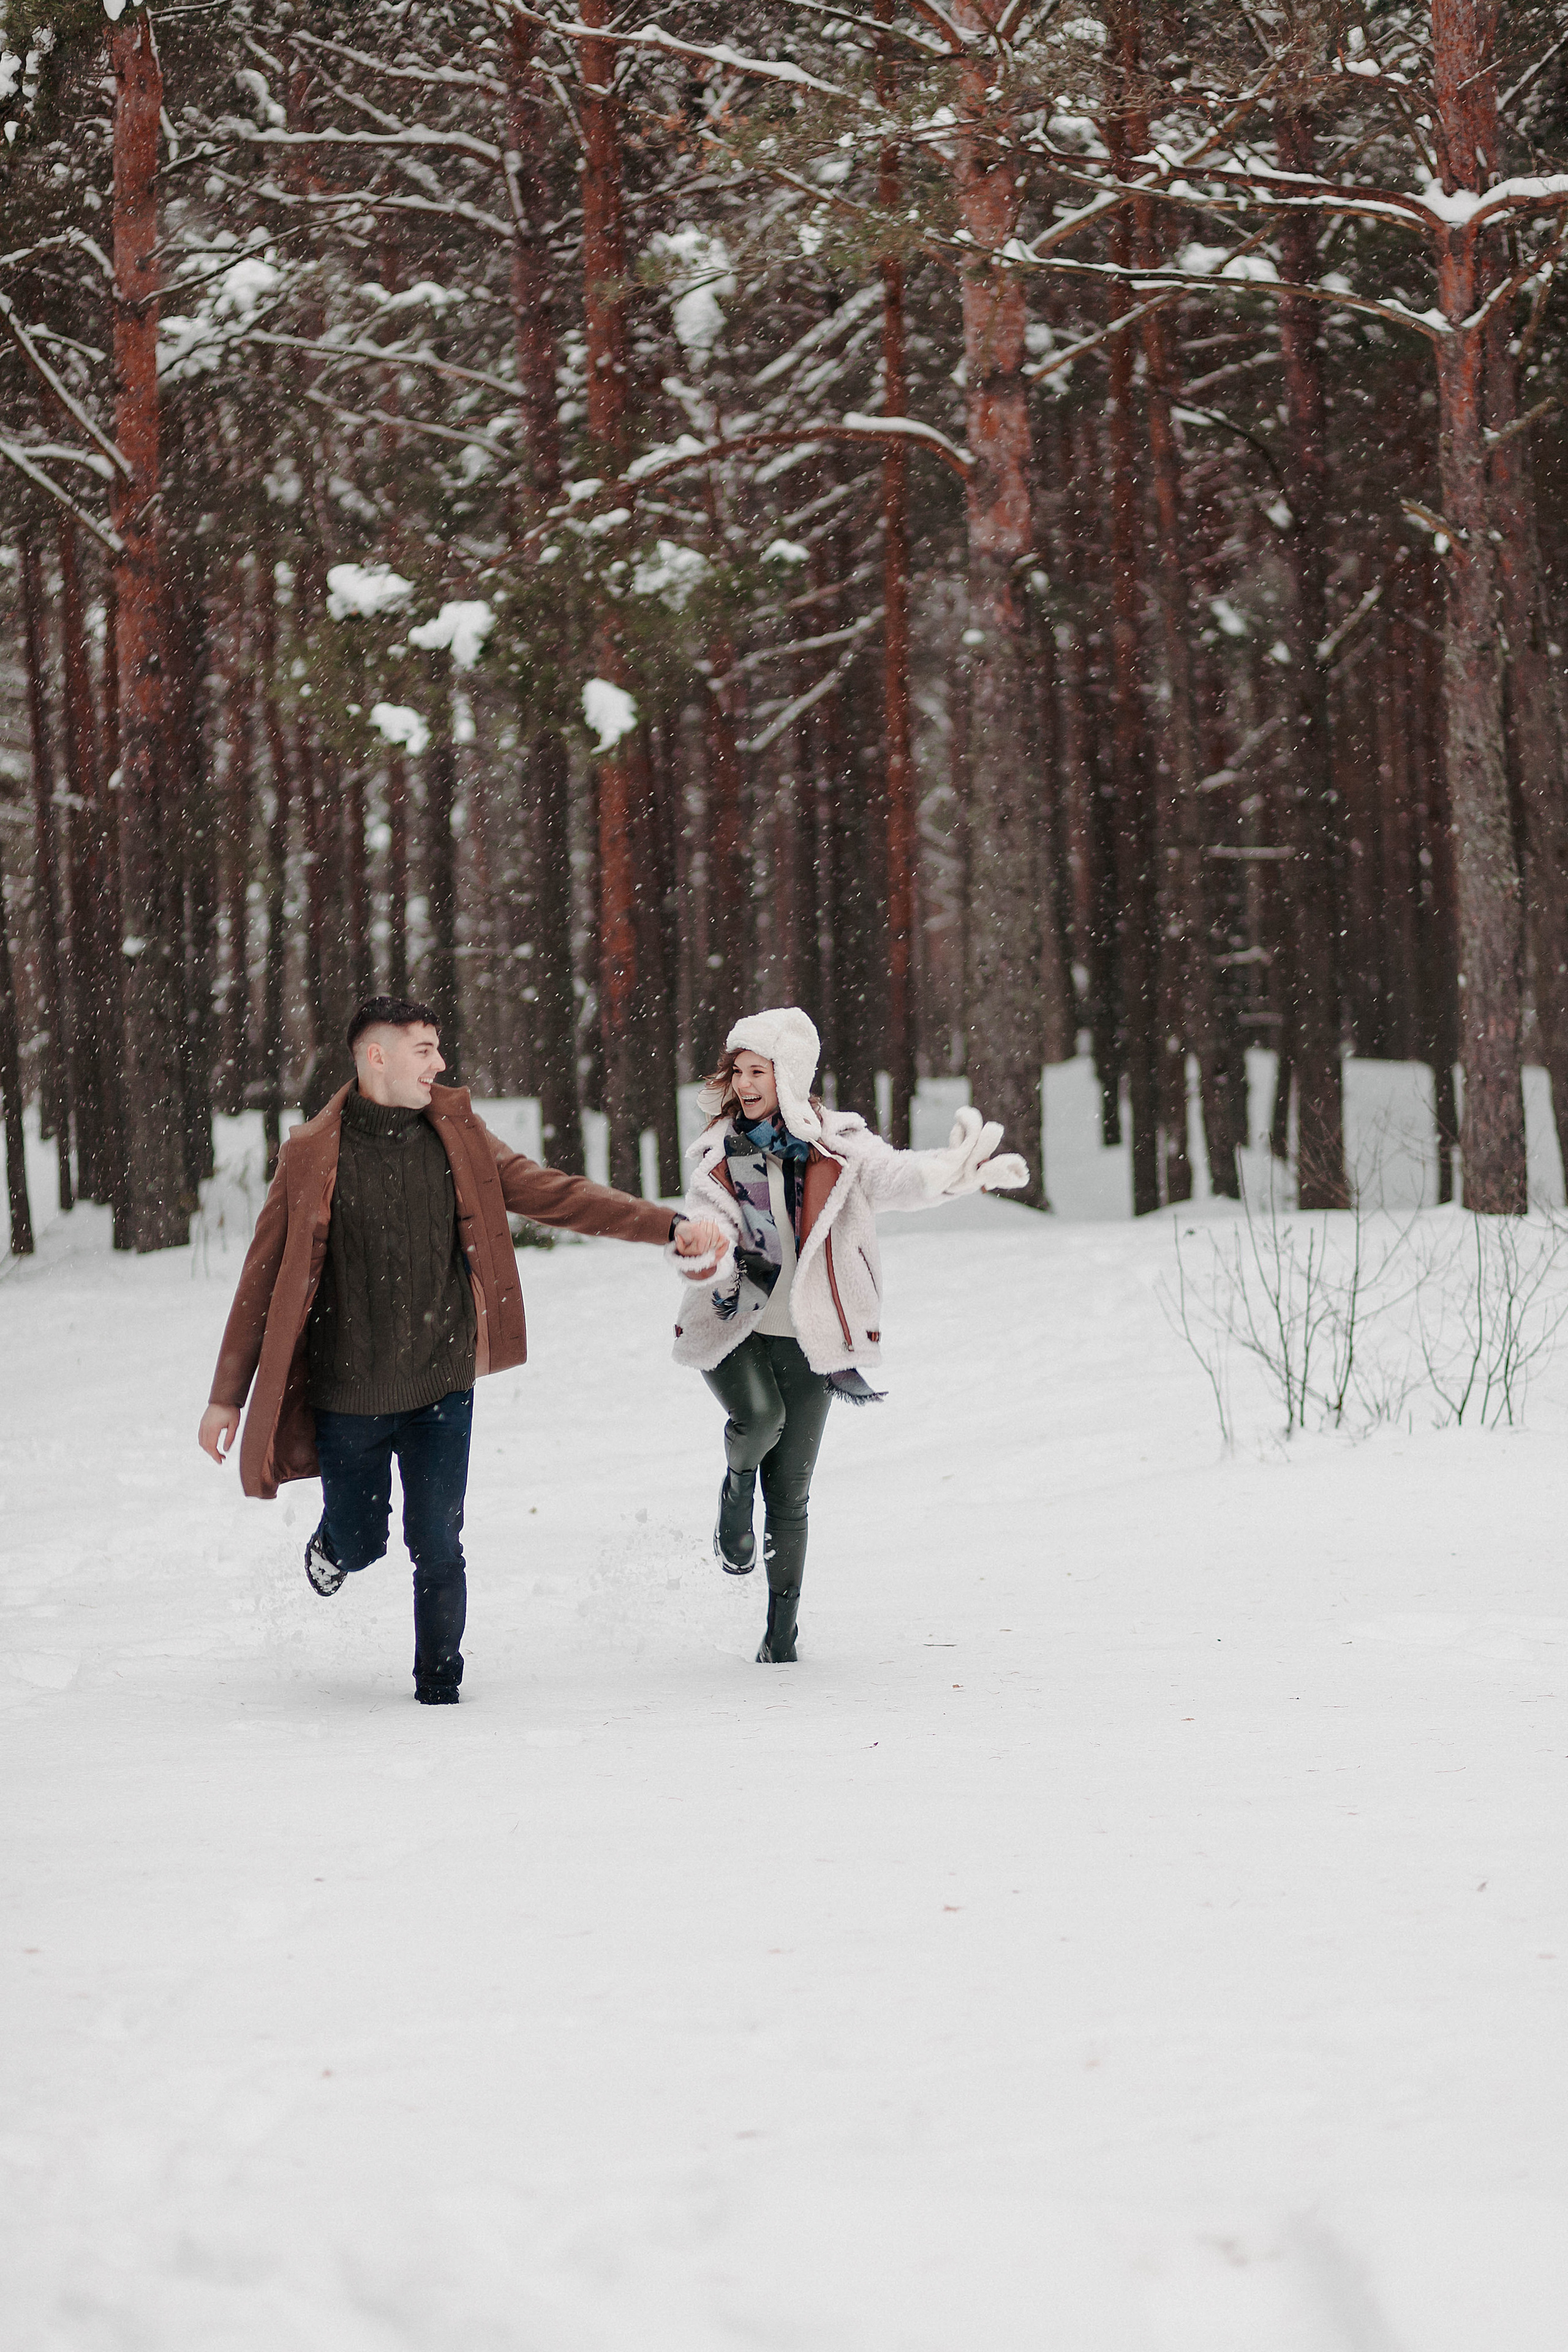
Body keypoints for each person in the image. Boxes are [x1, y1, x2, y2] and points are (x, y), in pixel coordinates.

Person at [198, 997, 726, 1704]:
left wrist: (665, 1224)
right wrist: (225, 1396)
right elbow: (261, 1280)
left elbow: (556, 1195)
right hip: (348, 1393)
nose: (440, 1063)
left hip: (442, 1384)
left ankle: (439, 1692)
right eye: (424, 1049)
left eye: (438, 1049)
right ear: (375, 1056)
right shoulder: (310, 1155)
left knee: (438, 1543)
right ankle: (333, 1546)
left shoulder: (458, 1135)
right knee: (363, 1541)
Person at [672, 1006, 1029, 1664]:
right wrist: (705, 1250)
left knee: (793, 1491)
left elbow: (893, 1176)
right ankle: (734, 1482)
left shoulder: (839, 1148)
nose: (746, 1084)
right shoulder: (720, 1155)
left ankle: (781, 1637)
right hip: (732, 1329)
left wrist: (949, 1174)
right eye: (739, 1072)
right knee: (758, 1420)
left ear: (790, 1075)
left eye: (760, 1071)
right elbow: (708, 1221)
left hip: (811, 1338)